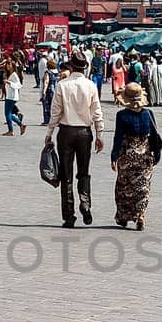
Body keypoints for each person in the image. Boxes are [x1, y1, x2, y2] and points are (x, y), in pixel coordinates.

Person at [44, 51, 104, 227]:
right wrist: (99, 134)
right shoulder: (91, 85)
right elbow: (97, 112)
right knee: (84, 172)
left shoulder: (62, 85)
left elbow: (55, 112)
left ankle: (69, 216)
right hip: (85, 133)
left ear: (70, 65)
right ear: (85, 67)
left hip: (66, 132)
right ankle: (85, 204)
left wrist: (49, 133)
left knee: (66, 175)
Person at [111, 82, 160, 229]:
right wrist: (157, 154)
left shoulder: (121, 115)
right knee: (142, 187)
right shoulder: (148, 114)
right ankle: (140, 215)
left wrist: (114, 157)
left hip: (127, 155)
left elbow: (118, 137)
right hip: (145, 155)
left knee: (124, 187)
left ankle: (123, 216)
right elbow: (154, 136)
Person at [3, 61, 26, 135]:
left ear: (13, 66)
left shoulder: (14, 75)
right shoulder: (9, 74)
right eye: (6, 64)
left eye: (9, 64)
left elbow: (19, 85)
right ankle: (21, 125)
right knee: (9, 114)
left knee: (7, 113)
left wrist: (9, 83)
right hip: (9, 96)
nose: (7, 66)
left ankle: (11, 130)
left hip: (12, 97)